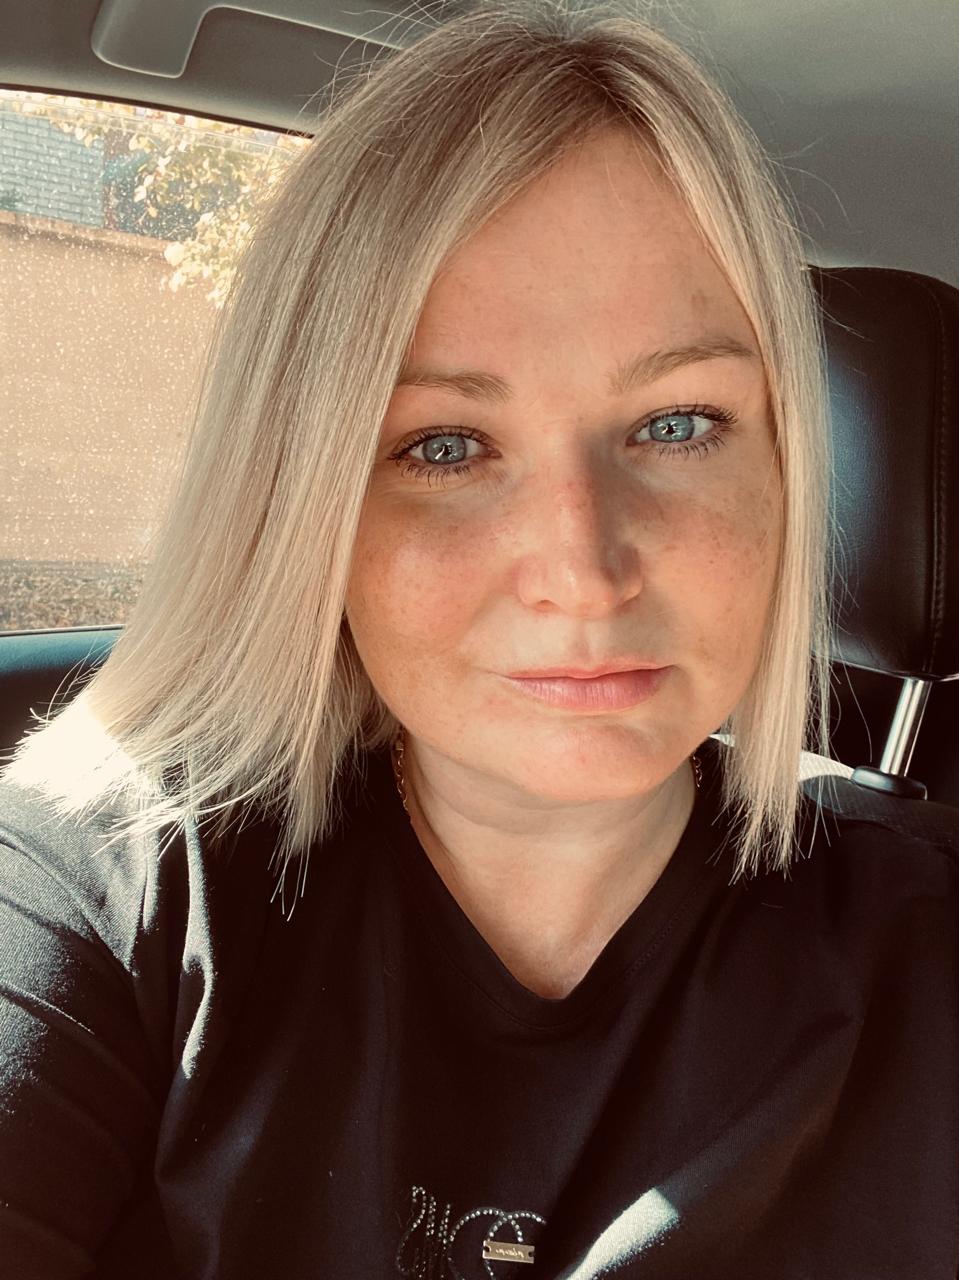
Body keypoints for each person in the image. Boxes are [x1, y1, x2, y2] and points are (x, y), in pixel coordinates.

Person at [1, 1, 956, 1276]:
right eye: (443, 446)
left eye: (676, 424)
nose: (583, 568)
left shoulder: (924, 942)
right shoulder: (107, 890)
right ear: (302, 499)